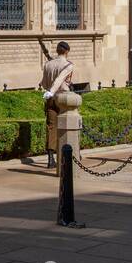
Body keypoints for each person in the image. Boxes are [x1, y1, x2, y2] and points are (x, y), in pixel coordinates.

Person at [39, 41, 74, 169]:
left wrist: (49, 92)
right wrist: (52, 90)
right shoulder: (68, 65)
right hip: (63, 98)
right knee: (68, 125)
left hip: (50, 99)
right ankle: (71, 154)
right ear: (66, 52)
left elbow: (43, 83)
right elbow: (60, 79)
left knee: (51, 127)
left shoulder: (48, 64)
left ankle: (50, 159)